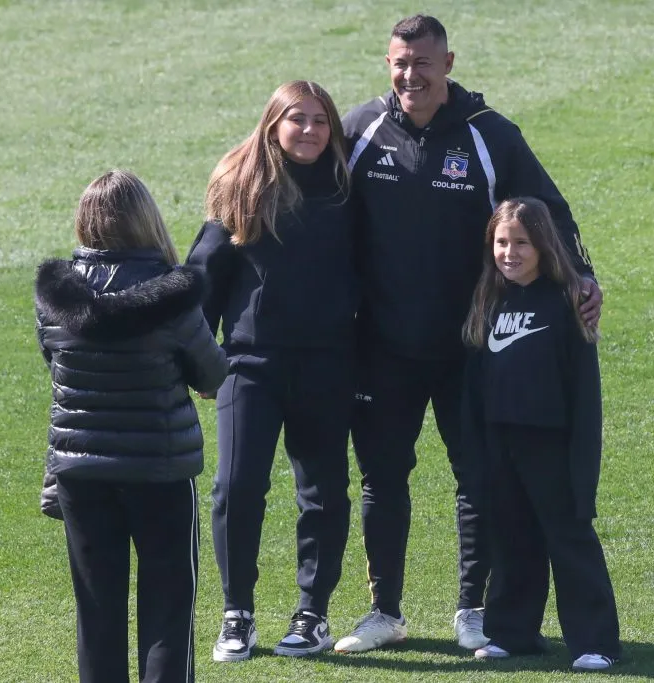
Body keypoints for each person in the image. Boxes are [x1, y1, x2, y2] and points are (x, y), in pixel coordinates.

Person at [334, 14, 603, 654]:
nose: (409, 76)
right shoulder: (360, 131)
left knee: (479, 478)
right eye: (399, 63)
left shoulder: (491, 137)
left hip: (471, 349)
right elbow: (307, 200)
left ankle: (472, 611)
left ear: (448, 64)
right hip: (382, 347)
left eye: (422, 63)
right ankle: (385, 612)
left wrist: (583, 277)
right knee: (381, 478)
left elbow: (550, 213)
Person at [185, 80, 358, 662]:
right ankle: (238, 613)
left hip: (327, 366)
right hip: (249, 366)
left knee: (323, 493)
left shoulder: (348, 190)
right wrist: (198, 362)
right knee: (235, 488)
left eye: (319, 121)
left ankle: (313, 613)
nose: (309, 131)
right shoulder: (243, 186)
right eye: (297, 120)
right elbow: (203, 278)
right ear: (273, 126)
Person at [34, 169, 228, 683]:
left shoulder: (53, 298)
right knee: (168, 610)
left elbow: (56, 368)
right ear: (147, 220)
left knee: (97, 614)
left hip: (80, 473)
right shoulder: (173, 295)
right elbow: (210, 371)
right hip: (159, 471)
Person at [461, 197, 621, 672]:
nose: (510, 252)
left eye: (522, 243)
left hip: (551, 444)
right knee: (510, 538)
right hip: (499, 442)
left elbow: (583, 393)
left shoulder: (567, 301)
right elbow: (474, 387)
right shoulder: (488, 301)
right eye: (501, 242)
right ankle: (512, 632)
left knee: (568, 538)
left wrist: (581, 461)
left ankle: (595, 642)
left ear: (544, 246)